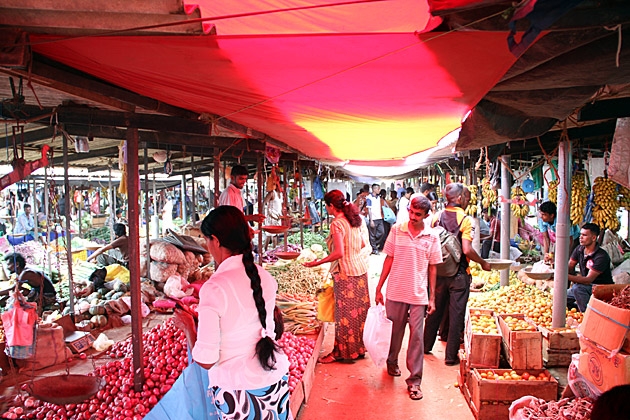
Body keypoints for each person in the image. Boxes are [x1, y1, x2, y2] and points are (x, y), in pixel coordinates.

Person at [193, 206, 290, 420]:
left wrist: (188, 329)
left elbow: (207, 360)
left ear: (215, 241)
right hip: (276, 382)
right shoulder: (265, 277)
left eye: (206, 240)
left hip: (239, 394)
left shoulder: (214, 287)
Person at [374, 195, 442, 401]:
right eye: (411, 212)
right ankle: (392, 361)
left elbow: (433, 268)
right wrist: (379, 288)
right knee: (395, 332)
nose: (412, 216)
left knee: (417, 337)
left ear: (426, 215)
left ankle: (414, 381)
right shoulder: (397, 230)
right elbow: (389, 259)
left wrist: (432, 298)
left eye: (417, 214)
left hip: (418, 294)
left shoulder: (432, 236)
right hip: (395, 291)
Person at [424, 183, 491, 365]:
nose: (468, 201)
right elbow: (467, 250)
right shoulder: (465, 220)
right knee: (456, 314)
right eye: (467, 198)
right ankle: (450, 356)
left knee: (435, 310)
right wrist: (483, 263)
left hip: (438, 272)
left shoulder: (435, 218)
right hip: (459, 275)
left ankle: (425, 346)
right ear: (460, 198)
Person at [302, 190, 370, 363]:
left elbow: (339, 252)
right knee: (360, 313)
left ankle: (342, 352)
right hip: (360, 270)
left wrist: (317, 263)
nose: (327, 209)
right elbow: (362, 243)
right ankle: (358, 349)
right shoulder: (353, 219)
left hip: (346, 272)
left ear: (331, 206)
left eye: (326, 206)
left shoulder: (337, 224)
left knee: (345, 315)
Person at [567, 223, 613, 312]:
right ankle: (577, 311)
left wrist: (565, 276)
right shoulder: (579, 249)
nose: (580, 237)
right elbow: (570, 265)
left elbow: (588, 280)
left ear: (593, 238)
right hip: (586, 286)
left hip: (601, 288)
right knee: (561, 296)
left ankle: (588, 314)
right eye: (580, 234)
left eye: (584, 235)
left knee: (578, 288)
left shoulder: (601, 256)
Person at [263, 182, 285, 251]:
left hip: (278, 217)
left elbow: (280, 206)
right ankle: (272, 250)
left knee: (272, 234)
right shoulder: (272, 193)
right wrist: (267, 214)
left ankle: (269, 249)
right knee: (271, 234)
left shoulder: (280, 195)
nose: (282, 188)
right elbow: (264, 203)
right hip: (271, 217)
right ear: (277, 186)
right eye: (281, 186)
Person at [366, 184, 385, 255]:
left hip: (379, 217)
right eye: (378, 189)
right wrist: (371, 220)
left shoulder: (378, 197)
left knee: (381, 232)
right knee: (372, 234)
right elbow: (369, 209)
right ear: (374, 189)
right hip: (373, 218)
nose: (379, 190)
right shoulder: (369, 198)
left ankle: (372, 244)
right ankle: (374, 248)